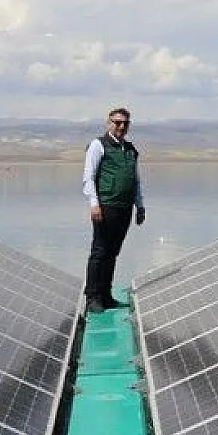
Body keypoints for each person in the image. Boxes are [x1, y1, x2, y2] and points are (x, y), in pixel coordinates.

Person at [82, 106, 146, 314]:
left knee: (113, 253)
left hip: (125, 208)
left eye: (125, 123)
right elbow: (88, 177)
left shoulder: (130, 150)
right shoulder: (98, 145)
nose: (121, 126)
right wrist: (94, 204)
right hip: (105, 206)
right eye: (117, 122)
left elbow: (136, 180)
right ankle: (93, 297)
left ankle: (106, 294)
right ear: (109, 123)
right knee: (100, 252)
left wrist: (140, 205)